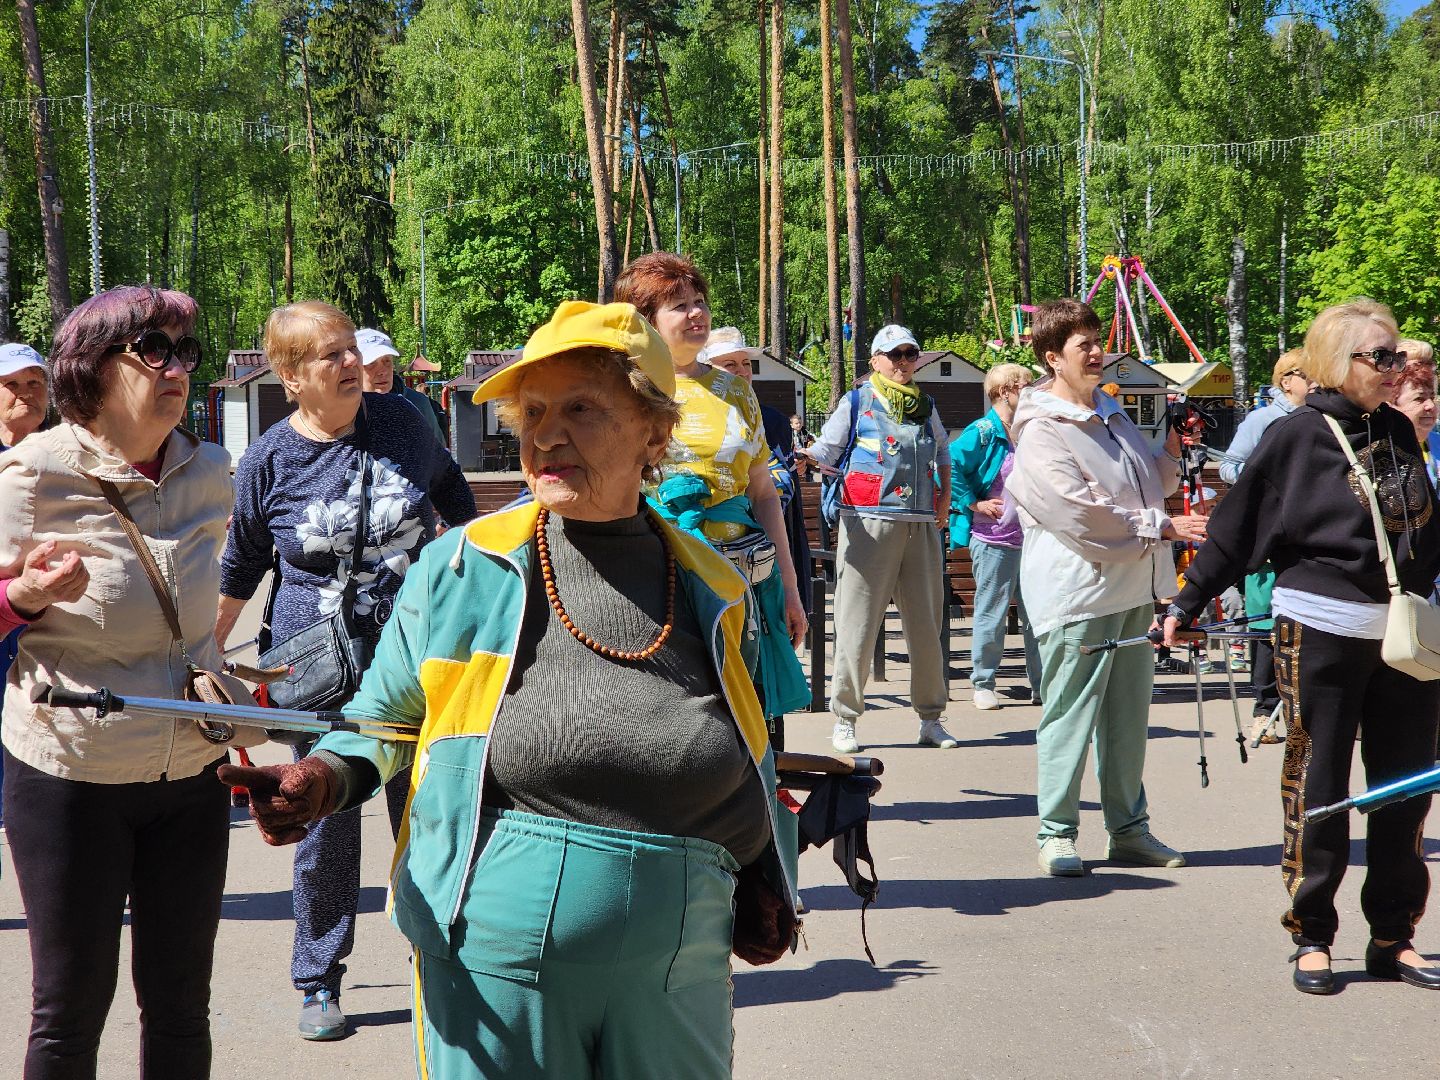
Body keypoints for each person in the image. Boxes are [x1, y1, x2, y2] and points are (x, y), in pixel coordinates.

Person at [219, 300, 798, 1079]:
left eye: (581, 409)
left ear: (655, 433)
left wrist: (761, 868)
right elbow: (382, 719)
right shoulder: (462, 568)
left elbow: (744, 746)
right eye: (533, 412)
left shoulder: (716, 585)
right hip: (496, 956)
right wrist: (320, 779)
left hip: (682, 956)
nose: (546, 435)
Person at [0, 284, 267, 1078]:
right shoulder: (32, 474)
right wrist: (25, 596)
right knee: (69, 1013)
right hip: (71, 775)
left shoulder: (211, 470)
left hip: (190, 774)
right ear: (93, 367)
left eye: (185, 352)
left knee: (182, 1008)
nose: (177, 369)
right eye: (154, 351)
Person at [215, 301, 476, 1040]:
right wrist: (203, 654)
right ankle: (319, 979)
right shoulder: (270, 459)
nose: (350, 362)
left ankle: (442, 967)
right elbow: (241, 564)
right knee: (323, 822)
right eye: (329, 355)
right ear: (291, 377)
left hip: (419, 652)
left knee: (428, 812)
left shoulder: (403, 424)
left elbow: (454, 498)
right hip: (317, 667)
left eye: (349, 348)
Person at [1164, 298, 1440, 995]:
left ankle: (1394, 935)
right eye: (1382, 356)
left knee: (1405, 787)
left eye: (1399, 355)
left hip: (1404, 637)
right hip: (1320, 627)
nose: (1398, 367)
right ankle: (1312, 933)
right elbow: (1235, 529)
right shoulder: (1295, 436)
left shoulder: (1397, 431)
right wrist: (1188, 602)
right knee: (1320, 782)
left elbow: (1423, 532)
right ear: (1337, 362)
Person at [1007, 298, 1205, 878]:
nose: (1097, 353)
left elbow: (1149, 483)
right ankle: (1056, 834)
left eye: (1099, 341)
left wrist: (1172, 447)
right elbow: (1077, 513)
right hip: (1077, 594)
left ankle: (1129, 832)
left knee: (1127, 722)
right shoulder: (1042, 429)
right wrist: (1162, 526)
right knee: (1070, 716)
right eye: (1084, 345)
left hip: (1133, 588)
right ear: (1052, 357)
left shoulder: (1110, 412)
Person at [616, 255, 808, 724]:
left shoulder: (736, 391)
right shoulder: (626, 390)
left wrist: (789, 588)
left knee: (749, 714)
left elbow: (763, 492)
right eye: (679, 305)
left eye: (699, 301)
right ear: (647, 321)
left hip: (743, 575)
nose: (696, 313)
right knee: (679, 714)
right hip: (659, 576)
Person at [797, 323, 957, 753]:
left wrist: (944, 497)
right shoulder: (857, 401)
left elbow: (943, 450)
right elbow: (827, 450)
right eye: (894, 354)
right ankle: (845, 719)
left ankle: (931, 719)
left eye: (910, 353)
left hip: (921, 523)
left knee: (926, 626)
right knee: (857, 623)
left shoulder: (926, 404)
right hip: (866, 523)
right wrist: (804, 457)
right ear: (875, 361)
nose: (903, 362)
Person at [1217, 350, 1315, 740]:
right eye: (1308, 374)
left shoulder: (1323, 419)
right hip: (1269, 539)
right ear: (1286, 380)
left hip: (1309, 538)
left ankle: (1305, 711)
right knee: (1265, 624)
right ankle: (1263, 709)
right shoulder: (1262, 419)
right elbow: (1228, 466)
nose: (1316, 380)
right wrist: (1271, 477)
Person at [699, 327, 813, 621]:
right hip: (714, 547)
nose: (742, 371)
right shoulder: (691, 419)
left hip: (771, 540)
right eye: (730, 364)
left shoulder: (772, 420)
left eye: (746, 363)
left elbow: (777, 490)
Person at [948, 362, 1042, 711]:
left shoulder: (1030, 428)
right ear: (1005, 391)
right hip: (994, 539)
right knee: (992, 611)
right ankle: (983, 683)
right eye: (1026, 386)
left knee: (1039, 616)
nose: (1031, 392)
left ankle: (1042, 686)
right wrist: (973, 503)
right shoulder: (984, 430)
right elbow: (950, 464)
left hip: (1034, 538)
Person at [0, 341, 51, 824]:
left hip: (49, 638)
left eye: (35, 382)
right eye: (12, 384)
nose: (26, 393)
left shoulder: (60, 458)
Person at [355, 326, 447, 445]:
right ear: (354, 368)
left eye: (387, 361)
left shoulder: (417, 404)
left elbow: (438, 452)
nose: (382, 371)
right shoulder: (344, 409)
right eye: (371, 363)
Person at [1394, 340, 1439, 484]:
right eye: (1419, 398)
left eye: (1432, 397)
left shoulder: (1437, 443)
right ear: (1390, 404)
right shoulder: (1379, 454)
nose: (1430, 405)